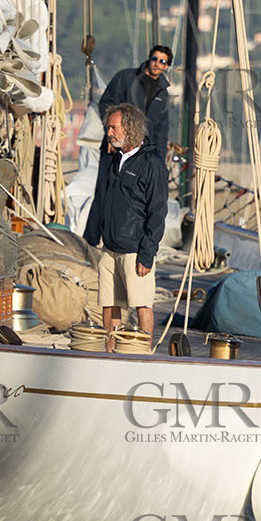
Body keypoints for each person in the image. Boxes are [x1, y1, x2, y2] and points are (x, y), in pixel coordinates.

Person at [82, 104, 167, 352]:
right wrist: (92, 236)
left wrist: (147, 253)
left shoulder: (152, 164)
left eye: (113, 127)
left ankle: (142, 353)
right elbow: (102, 198)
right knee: (109, 304)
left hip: (134, 250)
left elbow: (157, 212)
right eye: (108, 127)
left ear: (129, 129)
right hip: (109, 249)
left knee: (142, 305)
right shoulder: (113, 159)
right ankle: (111, 353)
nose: (108, 132)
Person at [98, 44, 173, 160]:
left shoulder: (163, 94)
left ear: (166, 66)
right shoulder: (126, 77)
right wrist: (111, 136)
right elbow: (106, 103)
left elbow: (161, 131)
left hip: (144, 152)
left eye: (162, 61)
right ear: (149, 59)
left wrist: (160, 161)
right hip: (117, 146)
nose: (157, 63)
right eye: (154, 59)